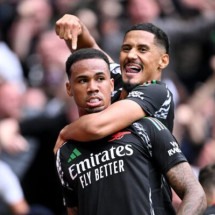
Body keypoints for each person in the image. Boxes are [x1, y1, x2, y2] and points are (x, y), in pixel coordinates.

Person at [56, 47, 206, 215]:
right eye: (83, 80)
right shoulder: (65, 152)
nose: (93, 87)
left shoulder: (146, 127)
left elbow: (195, 193)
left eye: (100, 78)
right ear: (69, 88)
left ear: (111, 84)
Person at [54, 14, 174, 153]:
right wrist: (75, 24)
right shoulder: (118, 77)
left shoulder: (157, 92)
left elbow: (96, 126)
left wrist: (67, 131)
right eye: (127, 48)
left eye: (142, 49)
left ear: (163, 61)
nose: (131, 55)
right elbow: (89, 51)